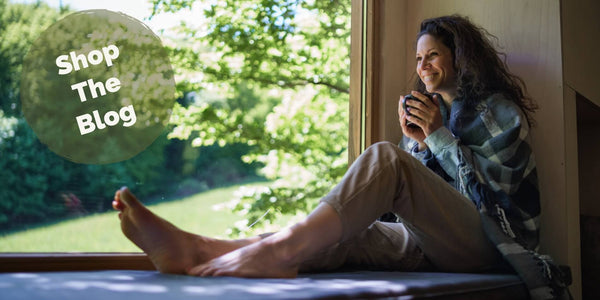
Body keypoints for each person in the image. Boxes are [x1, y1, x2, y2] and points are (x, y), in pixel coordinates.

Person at [113, 15, 567, 299]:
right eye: (418, 58)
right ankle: (198, 251)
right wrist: (423, 144)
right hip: (433, 244)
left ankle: (276, 250)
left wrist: (437, 139)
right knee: (348, 232)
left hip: (493, 249)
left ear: (460, 57)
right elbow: (421, 202)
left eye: (433, 56)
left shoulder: (498, 114)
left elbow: (498, 211)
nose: (422, 66)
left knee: (385, 159)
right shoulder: (436, 115)